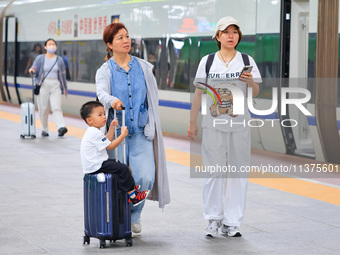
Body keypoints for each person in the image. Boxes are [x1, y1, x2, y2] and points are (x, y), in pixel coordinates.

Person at [188, 17, 262, 237]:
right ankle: (213, 218)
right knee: (214, 173)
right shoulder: (208, 61)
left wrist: (250, 83)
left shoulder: (246, 59)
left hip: (239, 124)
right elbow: (199, 93)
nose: (231, 36)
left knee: (238, 173)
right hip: (213, 125)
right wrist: (192, 121)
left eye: (235, 32)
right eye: (226, 32)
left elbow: (256, 92)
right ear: (217, 36)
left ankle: (232, 222)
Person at [96, 22, 170, 234]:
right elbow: (101, 94)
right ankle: (121, 218)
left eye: (127, 36)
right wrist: (112, 101)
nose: (125, 40)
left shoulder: (144, 67)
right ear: (109, 44)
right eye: (119, 38)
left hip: (140, 131)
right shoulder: (104, 71)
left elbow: (151, 97)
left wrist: (150, 122)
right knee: (118, 178)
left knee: (145, 177)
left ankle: (132, 215)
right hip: (116, 134)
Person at [80, 101, 150, 206]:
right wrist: (123, 135)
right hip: (96, 166)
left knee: (117, 165)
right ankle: (134, 196)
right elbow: (111, 146)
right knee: (123, 168)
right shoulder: (93, 132)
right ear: (89, 120)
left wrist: (112, 127)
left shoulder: (93, 131)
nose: (104, 117)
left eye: (104, 114)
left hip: (95, 165)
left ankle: (129, 187)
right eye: (100, 115)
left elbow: (107, 141)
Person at [29, 38, 68, 137]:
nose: (52, 46)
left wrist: (64, 88)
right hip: (43, 85)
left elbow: (63, 75)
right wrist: (32, 70)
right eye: (50, 44)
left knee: (56, 107)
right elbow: (35, 67)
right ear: (45, 47)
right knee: (43, 108)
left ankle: (61, 127)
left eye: (53, 44)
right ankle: (44, 129)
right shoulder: (40, 58)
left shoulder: (59, 60)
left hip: (55, 85)